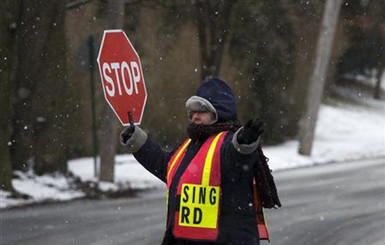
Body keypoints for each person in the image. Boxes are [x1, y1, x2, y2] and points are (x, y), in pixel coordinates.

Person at [121, 77, 281, 245]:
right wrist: (137, 140)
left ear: (220, 112)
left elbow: (236, 156)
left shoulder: (226, 142)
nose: (194, 116)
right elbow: (165, 166)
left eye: (201, 111)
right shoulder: (191, 145)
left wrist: (244, 142)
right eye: (192, 111)